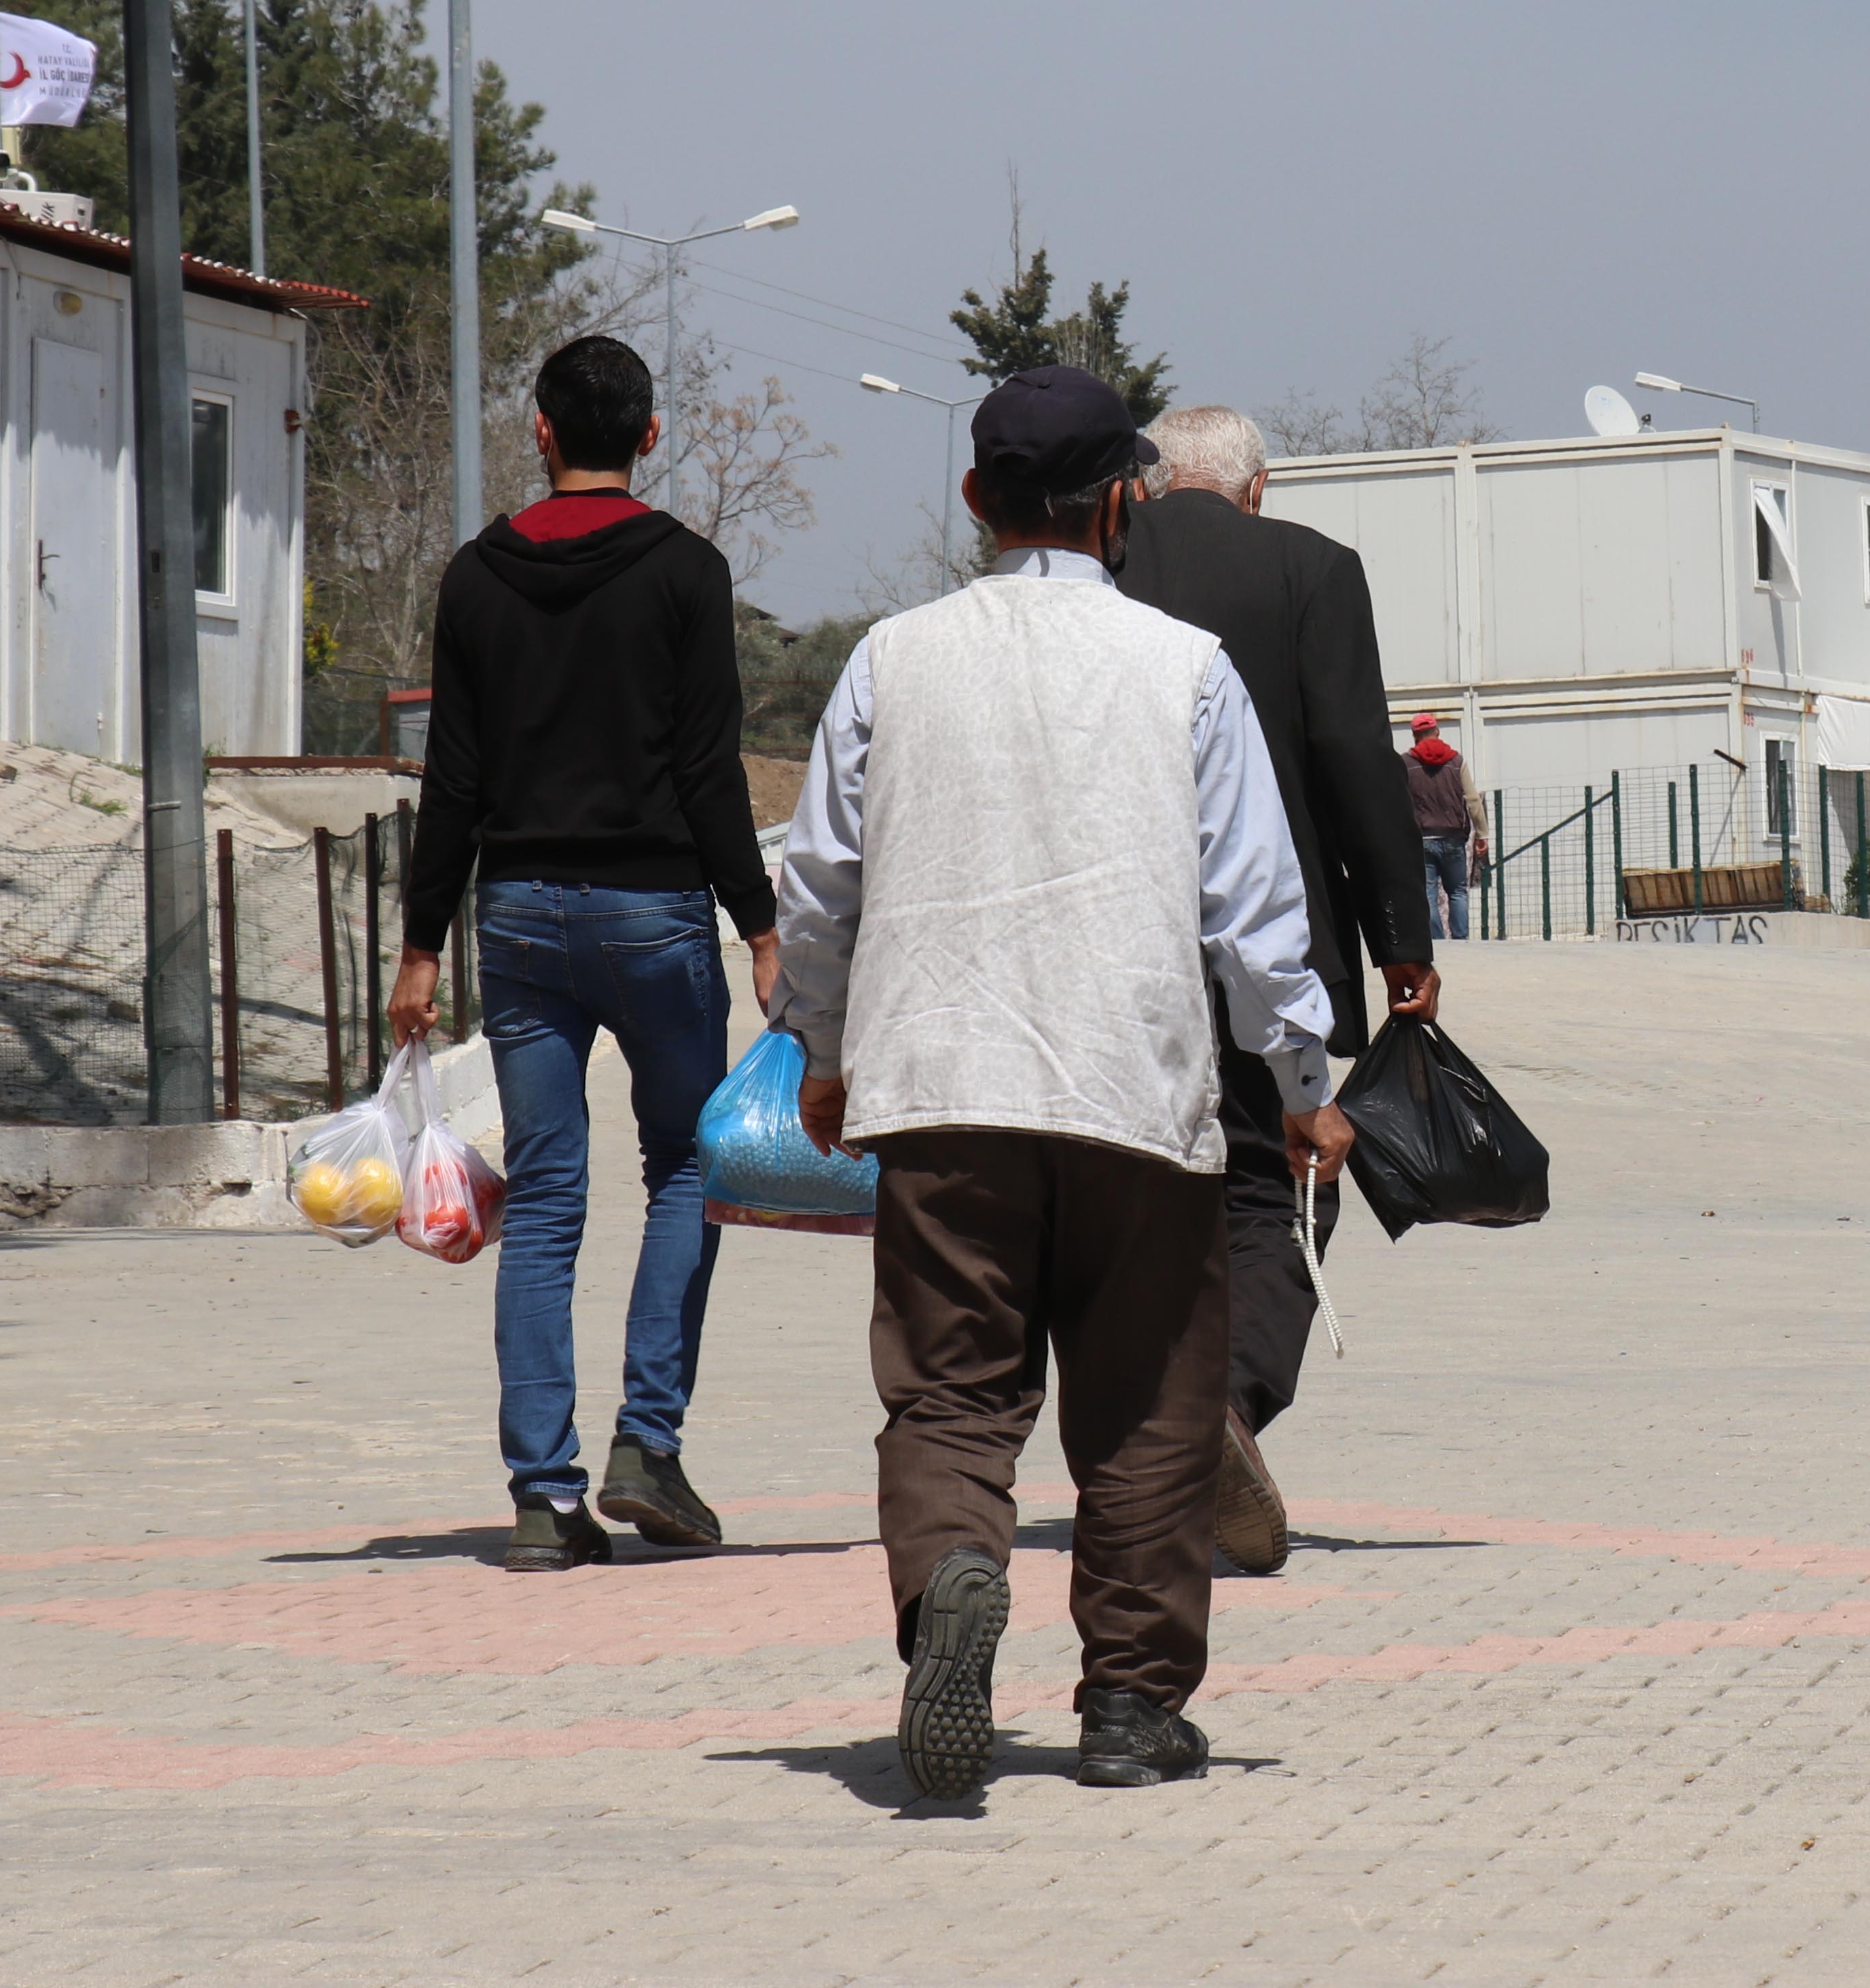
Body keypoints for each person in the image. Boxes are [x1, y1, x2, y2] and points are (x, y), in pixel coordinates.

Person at [773, 365, 1343, 1800]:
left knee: (952, 1389)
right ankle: (1132, 1706)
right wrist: (1301, 1072)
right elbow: (1255, 910)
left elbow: (822, 885)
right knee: (1151, 1396)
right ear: (1125, 504)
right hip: (1132, 1085)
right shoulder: (1187, 668)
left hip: (942, 1082)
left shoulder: (888, 660)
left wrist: (822, 1053)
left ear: (974, 499)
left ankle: (958, 1571)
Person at [391, 336, 778, 1575]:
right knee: (687, 1170)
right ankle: (646, 1445)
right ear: (651, 436)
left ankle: (543, 1499)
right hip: (658, 913)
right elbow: (712, 769)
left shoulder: (477, 578)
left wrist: (418, 947)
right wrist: (762, 927)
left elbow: (451, 779)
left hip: (520, 923)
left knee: (549, 1198)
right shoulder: (688, 575)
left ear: (543, 432)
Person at [1113, 403, 1439, 1576]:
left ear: (1152, 482)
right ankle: (1231, 1404)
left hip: (1111, 944)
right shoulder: (1314, 568)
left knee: (1137, 1195)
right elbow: (1358, 761)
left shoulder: (1103, 559)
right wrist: (1404, 938)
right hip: (1270, 935)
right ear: (1258, 488)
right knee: (1281, 1183)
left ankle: (1155, 1430)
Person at [1404, 715, 1482, 939]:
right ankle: (1461, 940)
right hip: (1453, 837)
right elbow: (1473, 800)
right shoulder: (1457, 762)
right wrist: (1482, 834)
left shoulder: (1406, 764)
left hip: (1421, 839)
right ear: (1437, 732)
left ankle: (1437, 943)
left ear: (1415, 736)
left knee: (1427, 894)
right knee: (1457, 892)